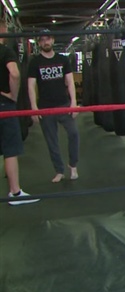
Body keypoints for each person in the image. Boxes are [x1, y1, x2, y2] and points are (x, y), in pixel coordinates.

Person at [27, 29, 79, 183]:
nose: (45, 42)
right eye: (42, 40)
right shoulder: (35, 62)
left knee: (74, 134)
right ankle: (59, 171)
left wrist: (74, 102)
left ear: (53, 40)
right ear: (39, 43)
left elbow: (70, 82)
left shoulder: (63, 60)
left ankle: (73, 165)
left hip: (64, 104)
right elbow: (31, 86)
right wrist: (34, 108)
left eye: (47, 39)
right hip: (45, 108)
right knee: (52, 141)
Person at [0, 21, 39, 205]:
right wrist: (12, 95)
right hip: (4, 105)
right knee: (10, 150)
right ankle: (15, 193)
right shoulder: (6, 51)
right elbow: (15, 74)